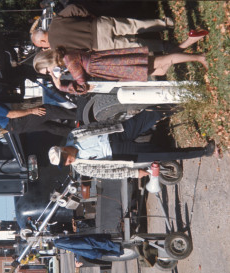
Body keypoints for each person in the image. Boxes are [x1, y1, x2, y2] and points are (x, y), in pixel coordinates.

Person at [47, 108, 216, 179]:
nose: (69, 163)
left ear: (64, 150)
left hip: (118, 132)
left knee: (150, 114)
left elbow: (97, 126)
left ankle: (185, 101)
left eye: (66, 159)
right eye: (66, 164)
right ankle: (204, 151)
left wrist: (118, 122)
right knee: (163, 153)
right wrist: (134, 174)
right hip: (121, 153)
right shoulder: (81, 167)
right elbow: (109, 174)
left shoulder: (74, 135)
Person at [33, 32, 208, 95]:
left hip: (114, 65)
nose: (50, 72)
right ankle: (189, 41)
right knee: (160, 70)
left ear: (48, 62)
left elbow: (82, 87)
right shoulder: (66, 57)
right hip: (111, 64)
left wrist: (61, 86)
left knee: (161, 62)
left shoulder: (68, 61)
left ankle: (200, 57)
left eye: (46, 70)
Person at [31, 4, 174, 52]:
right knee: (134, 26)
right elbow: (73, 8)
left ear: (43, 41)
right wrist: (90, 16)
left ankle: (164, 46)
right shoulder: (56, 21)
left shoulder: (57, 49)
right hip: (99, 25)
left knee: (134, 45)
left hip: (99, 45)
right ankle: (165, 24)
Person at [0, 82, 76, 136]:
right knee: (46, 110)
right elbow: (11, 114)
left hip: (14, 127)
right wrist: (32, 111)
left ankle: (76, 133)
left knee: (49, 126)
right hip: (15, 121)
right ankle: (79, 114)